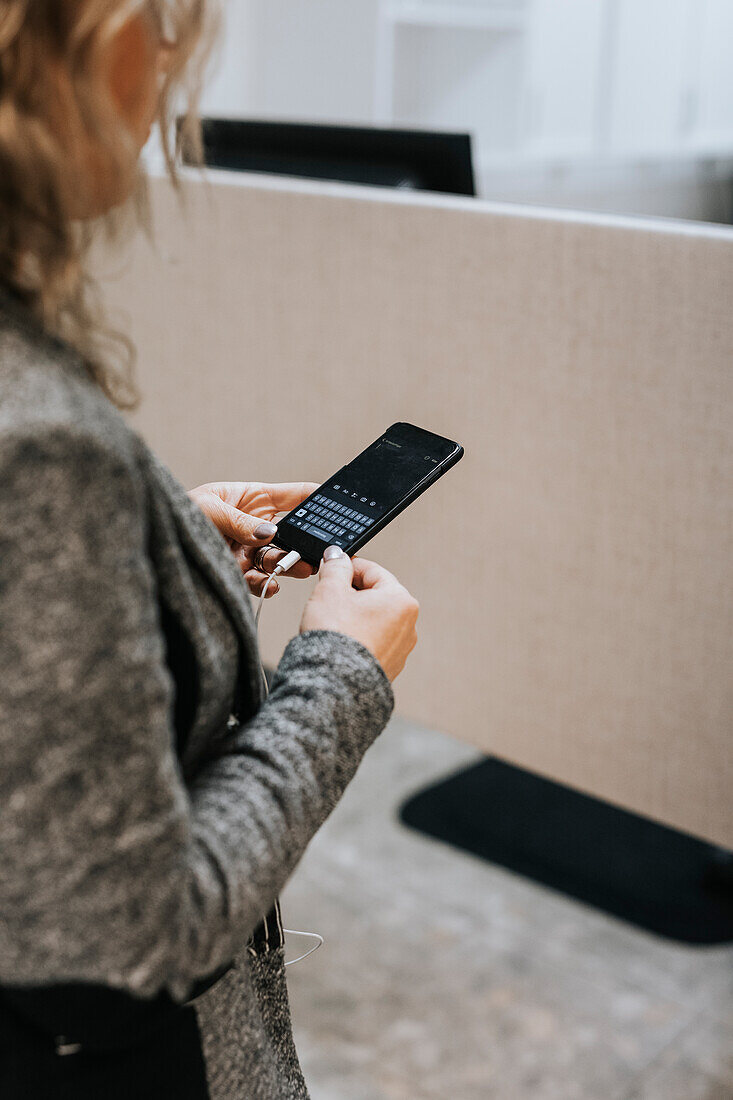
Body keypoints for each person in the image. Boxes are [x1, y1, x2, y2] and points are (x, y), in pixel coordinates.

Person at [0, 2, 420, 1097]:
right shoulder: (40, 448)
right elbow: (127, 940)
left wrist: (147, 544)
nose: (177, 61)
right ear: (60, 42)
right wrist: (339, 673)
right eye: (165, 18)